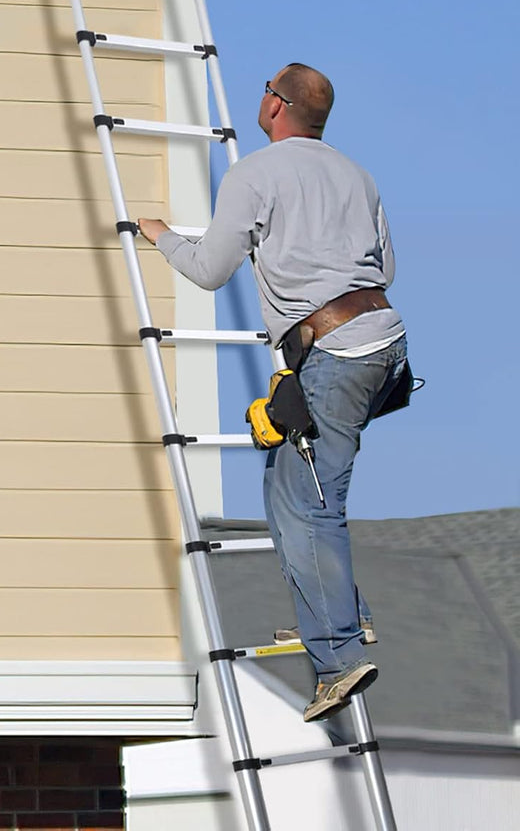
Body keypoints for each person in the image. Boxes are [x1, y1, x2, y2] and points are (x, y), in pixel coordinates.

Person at [138, 63, 409, 722]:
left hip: (334, 355)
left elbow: (208, 269)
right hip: (382, 344)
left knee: (313, 505)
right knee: (288, 491)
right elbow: (386, 268)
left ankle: (338, 659)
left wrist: (159, 235)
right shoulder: (355, 173)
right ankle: (342, 613)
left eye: (266, 88)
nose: (260, 95)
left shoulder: (254, 175)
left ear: (277, 106)